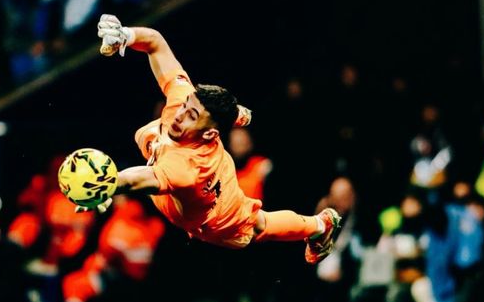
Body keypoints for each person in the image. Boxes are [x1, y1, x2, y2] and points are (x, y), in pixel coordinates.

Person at [76, 13, 341, 265]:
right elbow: (155, 42)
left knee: (258, 226)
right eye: (185, 107)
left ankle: (321, 225)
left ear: (210, 134)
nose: (179, 115)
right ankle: (235, 113)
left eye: (191, 115)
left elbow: (135, 181)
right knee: (153, 132)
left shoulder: (184, 169)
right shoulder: (185, 102)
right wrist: (126, 34)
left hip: (219, 215)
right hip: (199, 157)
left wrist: (104, 185)